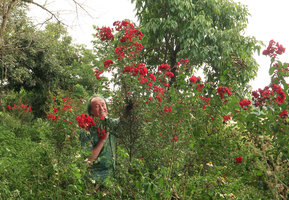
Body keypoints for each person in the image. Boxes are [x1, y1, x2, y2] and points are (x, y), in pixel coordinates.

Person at [79, 96, 119, 185]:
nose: (102, 108)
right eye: (97, 106)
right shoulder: (86, 131)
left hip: (111, 177)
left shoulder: (111, 123)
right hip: (94, 180)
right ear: (91, 112)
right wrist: (103, 139)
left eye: (103, 105)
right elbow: (88, 160)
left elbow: (125, 121)